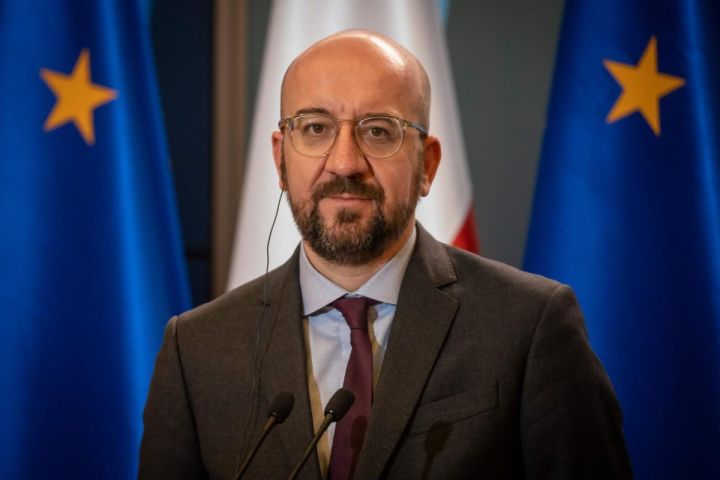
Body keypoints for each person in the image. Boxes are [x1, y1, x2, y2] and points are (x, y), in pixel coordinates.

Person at [139, 30, 632, 479]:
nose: (344, 163)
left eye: (378, 130)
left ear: (427, 165)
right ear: (280, 159)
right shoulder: (196, 349)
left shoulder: (529, 325)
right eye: (315, 128)